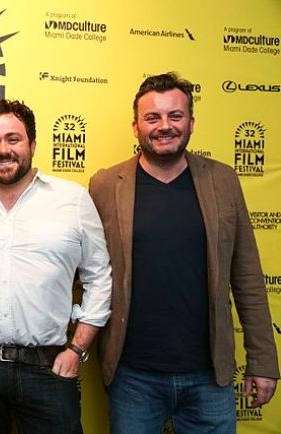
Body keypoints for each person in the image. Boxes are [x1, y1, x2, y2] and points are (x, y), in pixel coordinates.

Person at [89, 72, 279, 433]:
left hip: (210, 376)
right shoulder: (104, 186)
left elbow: (248, 277)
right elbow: (91, 273)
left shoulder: (222, 181)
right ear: (135, 127)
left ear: (191, 122)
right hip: (133, 377)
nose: (165, 126)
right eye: (152, 118)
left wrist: (263, 361)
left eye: (175, 116)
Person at [0, 99, 112, 434]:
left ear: (32, 144)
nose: (3, 150)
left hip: (48, 368)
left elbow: (100, 276)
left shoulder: (73, 199)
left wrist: (77, 348)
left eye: (13, 139)